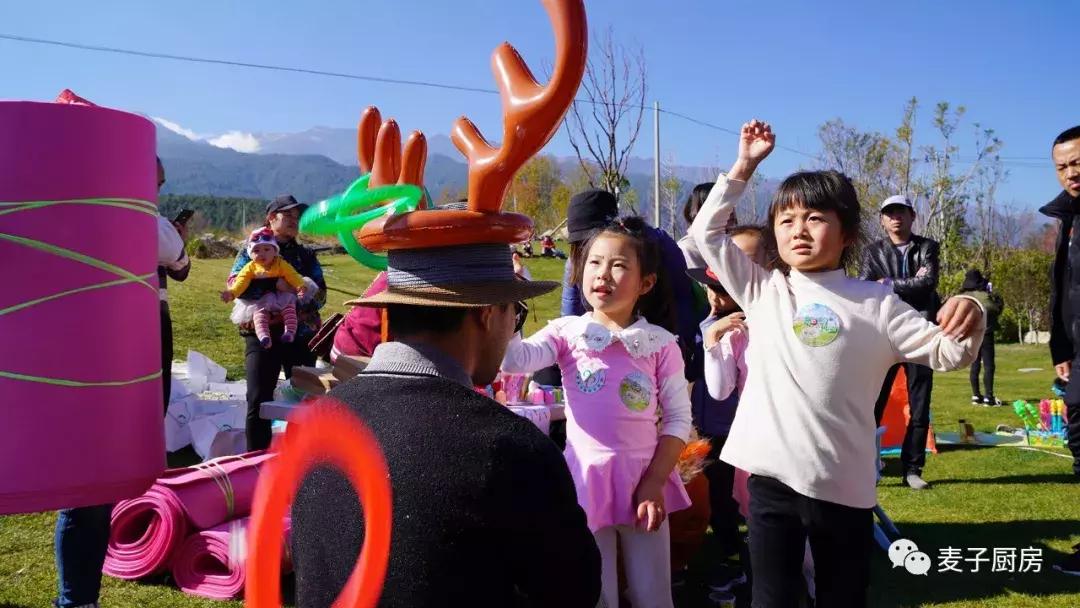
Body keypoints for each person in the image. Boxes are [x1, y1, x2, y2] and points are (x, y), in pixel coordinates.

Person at [691, 119, 984, 607]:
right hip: (771, 482)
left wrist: (974, 308)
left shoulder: (878, 303)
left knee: (841, 596)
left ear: (847, 233)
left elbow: (948, 351)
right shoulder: (765, 289)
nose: (797, 231)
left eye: (814, 218)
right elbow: (707, 233)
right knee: (772, 597)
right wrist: (744, 166)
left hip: (843, 483)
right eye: (785, 220)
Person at [291, 243, 601, 607]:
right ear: (486, 313)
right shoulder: (509, 449)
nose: (511, 330)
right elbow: (574, 591)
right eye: (515, 315)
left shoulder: (319, 424)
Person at [503, 216, 692, 608]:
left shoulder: (659, 345)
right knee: (594, 591)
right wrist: (508, 300)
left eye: (619, 265)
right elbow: (513, 360)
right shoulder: (567, 333)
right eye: (594, 262)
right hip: (584, 482)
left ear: (646, 283)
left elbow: (677, 419)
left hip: (646, 482)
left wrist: (656, 480)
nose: (603, 273)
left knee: (651, 594)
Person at [686, 225, 766, 594]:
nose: (714, 295)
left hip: (754, 435)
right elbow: (713, 387)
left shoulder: (767, 322)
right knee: (736, 505)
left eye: (722, 288)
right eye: (711, 286)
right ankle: (749, 573)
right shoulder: (716, 327)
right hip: (730, 436)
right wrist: (713, 339)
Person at [561, 190, 699, 375]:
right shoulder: (576, 258)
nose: (601, 270)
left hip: (660, 330)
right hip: (603, 341)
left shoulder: (658, 246)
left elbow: (682, 298)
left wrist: (682, 347)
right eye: (593, 261)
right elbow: (570, 314)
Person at [227, 194, 326, 450]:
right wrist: (275, 284)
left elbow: (321, 295)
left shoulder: (306, 256)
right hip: (261, 335)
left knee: (304, 401)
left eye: (297, 217)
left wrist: (293, 296)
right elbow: (236, 286)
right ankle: (254, 465)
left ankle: (299, 463)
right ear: (272, 218)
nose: (295, 221)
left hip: (301, 335)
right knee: (258, 399)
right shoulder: (250, 251)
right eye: (288, 216)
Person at [859, 194, 942, 490]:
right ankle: (867, 464)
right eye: (889, 213)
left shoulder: (927, 247)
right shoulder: (873, 251)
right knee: (873, 402)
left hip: (920, 332)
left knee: (920, 405)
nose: (896, 217)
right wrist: (905, 282)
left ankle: (912, 468)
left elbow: (928, 283)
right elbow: (866, 288)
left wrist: (889, 283)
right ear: (882, 220)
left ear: (912, 216)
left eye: (901, 212)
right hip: (885, 333)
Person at [1044, 125, 1080, 577]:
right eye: (1063, 166)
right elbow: (1065, 290)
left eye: (1078, 162)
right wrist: (1061, 345)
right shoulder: (1068, 219)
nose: (1072, 172)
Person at [222, 227, 308, 348]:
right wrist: (232, 293)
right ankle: (264, 337)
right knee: (259, 315)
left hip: (282, 295)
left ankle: (289, 332)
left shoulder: (280, 263)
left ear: (275, 251)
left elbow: (292, 275)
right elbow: (241, 282)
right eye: (256, 251)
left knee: (289, 310)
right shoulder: (250, 267)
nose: (262, 254)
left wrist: (300, 286)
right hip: (263, 298)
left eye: (267, 249)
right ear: (250, 255)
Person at [156, 157, 192, 411]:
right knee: (155, 392)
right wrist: (179, 240)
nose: (156, 192)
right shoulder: (154, 223)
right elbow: (179, 264)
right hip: (151, 315)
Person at [959, 269, 1004, 405]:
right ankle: (988, 397)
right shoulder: (984, 295)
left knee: (975, 364)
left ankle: (976, 395)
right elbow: (996, 309)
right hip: (986, 333)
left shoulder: (963, 296)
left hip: (971, 334)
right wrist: (994, 296)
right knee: (989, 365)